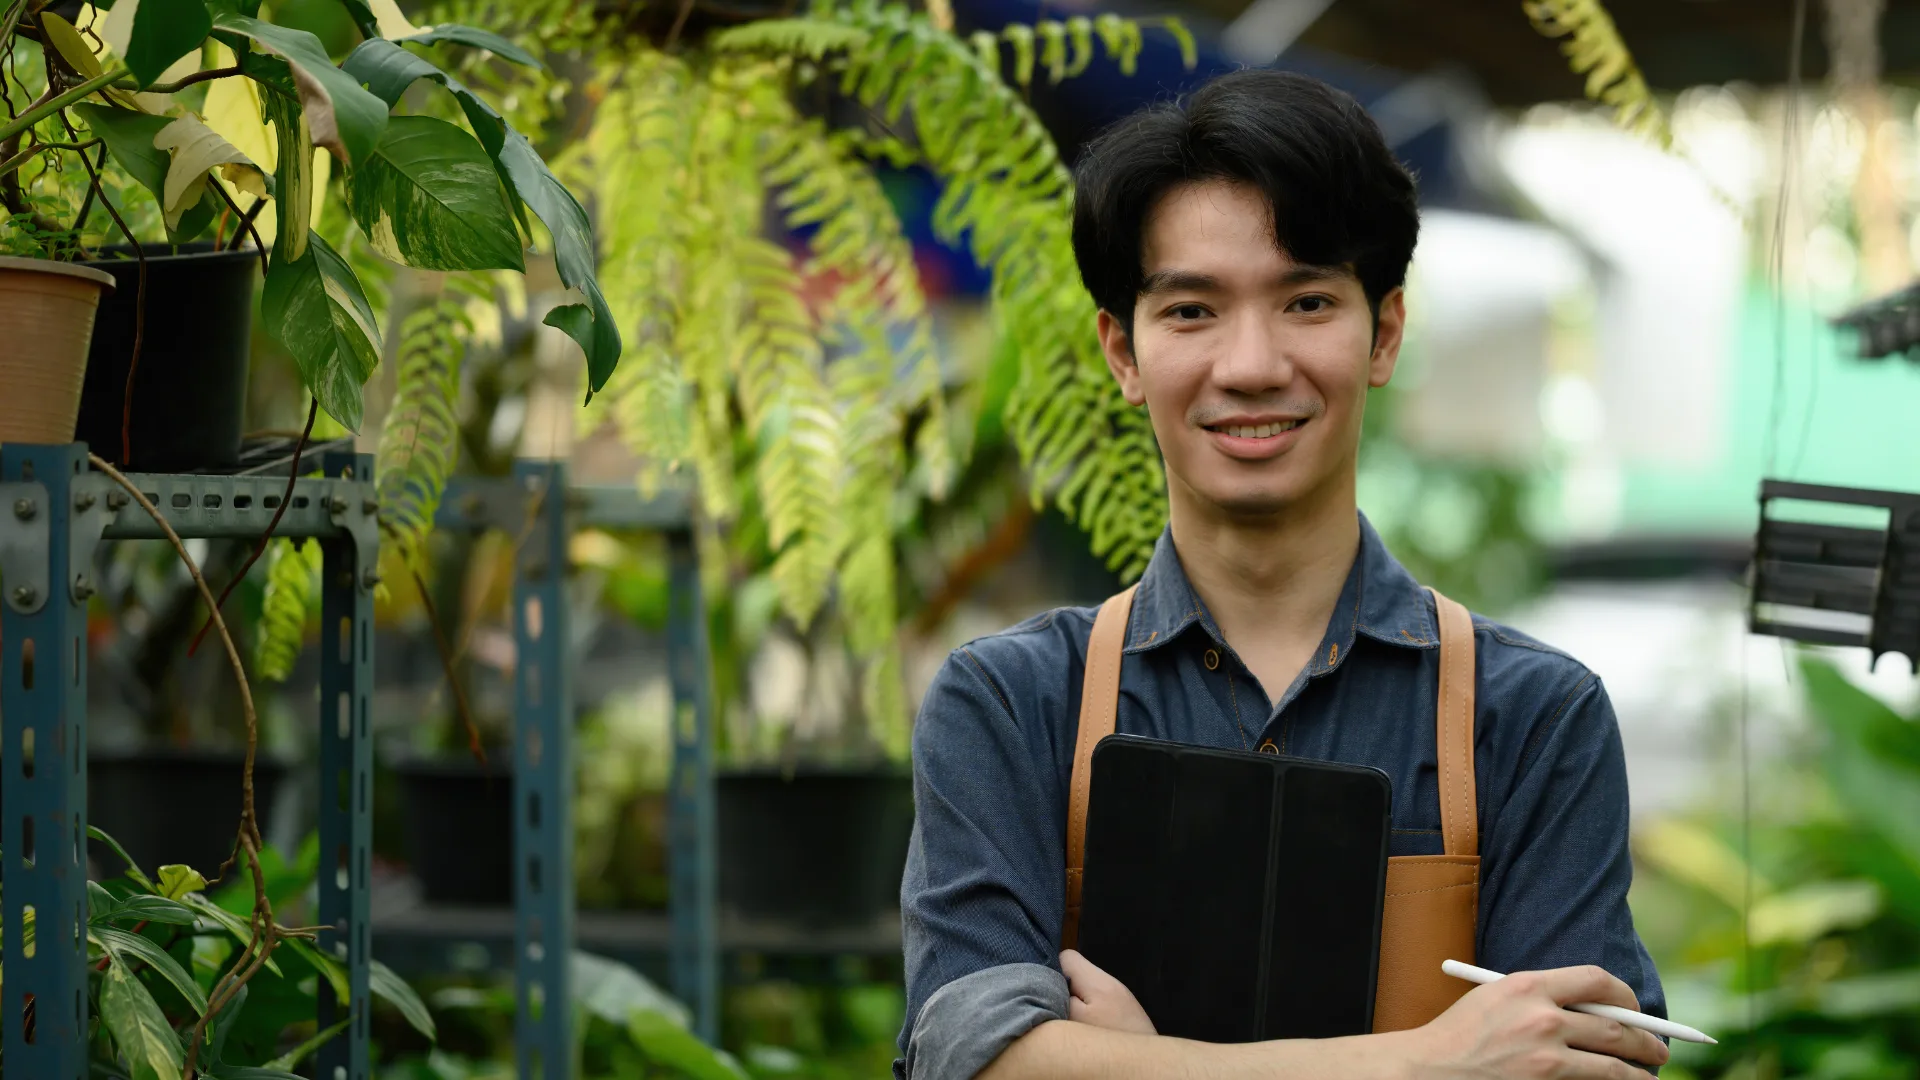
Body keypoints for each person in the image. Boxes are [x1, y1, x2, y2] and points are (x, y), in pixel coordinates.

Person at [895, 68, 1669, 1080]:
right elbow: (969, 1050)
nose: (1252, 364)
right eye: (1191, 313)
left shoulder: (1529, 720)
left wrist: (1132, 1065)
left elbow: (1579, 1061)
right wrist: (1424, 1064)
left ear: (1383, 332)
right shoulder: (1010, 704)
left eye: (1306, 300)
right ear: (1122, 353)